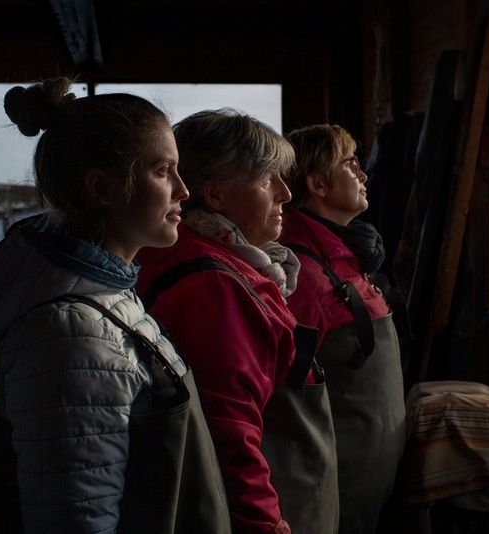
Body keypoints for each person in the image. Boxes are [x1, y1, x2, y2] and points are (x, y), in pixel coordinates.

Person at [0, 78, 230, 534]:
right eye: (162, 171)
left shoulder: (109, 295)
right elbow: (76, 519)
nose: (183, 190)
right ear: (103, 188)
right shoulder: (68, 336)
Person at [136, 109, 339, 534]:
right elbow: (232, 434)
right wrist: (268, 525)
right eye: (268, 179)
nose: (286, 193)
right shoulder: (218, 287)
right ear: (214, 197)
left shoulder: (208, 263)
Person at [280, 124, 406, 534]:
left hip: (372, 479)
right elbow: (283, 395)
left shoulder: (345, 258)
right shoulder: (302, 275)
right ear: (317, 183)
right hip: (339, 486)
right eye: (350, 163)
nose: (363, 174)